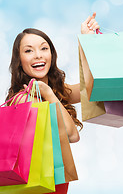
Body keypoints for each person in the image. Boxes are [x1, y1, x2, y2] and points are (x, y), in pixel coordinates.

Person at [5, 12, 100, 143]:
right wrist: (48, 94)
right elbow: (71, 135)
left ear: (52, 55)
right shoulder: (24, 100)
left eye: (44, 48)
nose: (38, 55)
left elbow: (94, 88)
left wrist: (87, 40)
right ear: (19, 61)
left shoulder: (55, 89)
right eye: (28, 51)